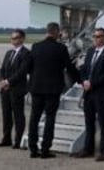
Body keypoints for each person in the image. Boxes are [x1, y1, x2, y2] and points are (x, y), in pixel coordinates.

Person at [26, 22, 80, 159]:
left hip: (36, 88)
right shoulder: (60, 48)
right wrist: (80, 79)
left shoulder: (36, 46)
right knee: (50, 119)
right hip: (53, 89)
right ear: (56, 32)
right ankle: (45, 149)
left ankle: (33, 149)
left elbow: (28, 67)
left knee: (34, 118)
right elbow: (69, 67)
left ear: (47, 31)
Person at [73, 27, 104, 162]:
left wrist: (92, 83)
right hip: (89, 93)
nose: (96, 39)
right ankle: (88, 149)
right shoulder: (91, 52)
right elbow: (85, 69)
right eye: (94, 36)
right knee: (89, 122)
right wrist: (84, 81)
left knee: (103, 123)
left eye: (99, 36)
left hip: (102, 93)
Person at [0, 28, 31, 149]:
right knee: (6, 115)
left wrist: (8, 81)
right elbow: (2, 69)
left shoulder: (26, 53)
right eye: (11, 38)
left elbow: (22, 72)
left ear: (22, 39)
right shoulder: (9, 53)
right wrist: (2, 80)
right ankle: (6, 139)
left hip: (17, 89)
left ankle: (18, 140)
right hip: (5, 90)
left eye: (15, 38)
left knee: (18, 115)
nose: (12, 40)